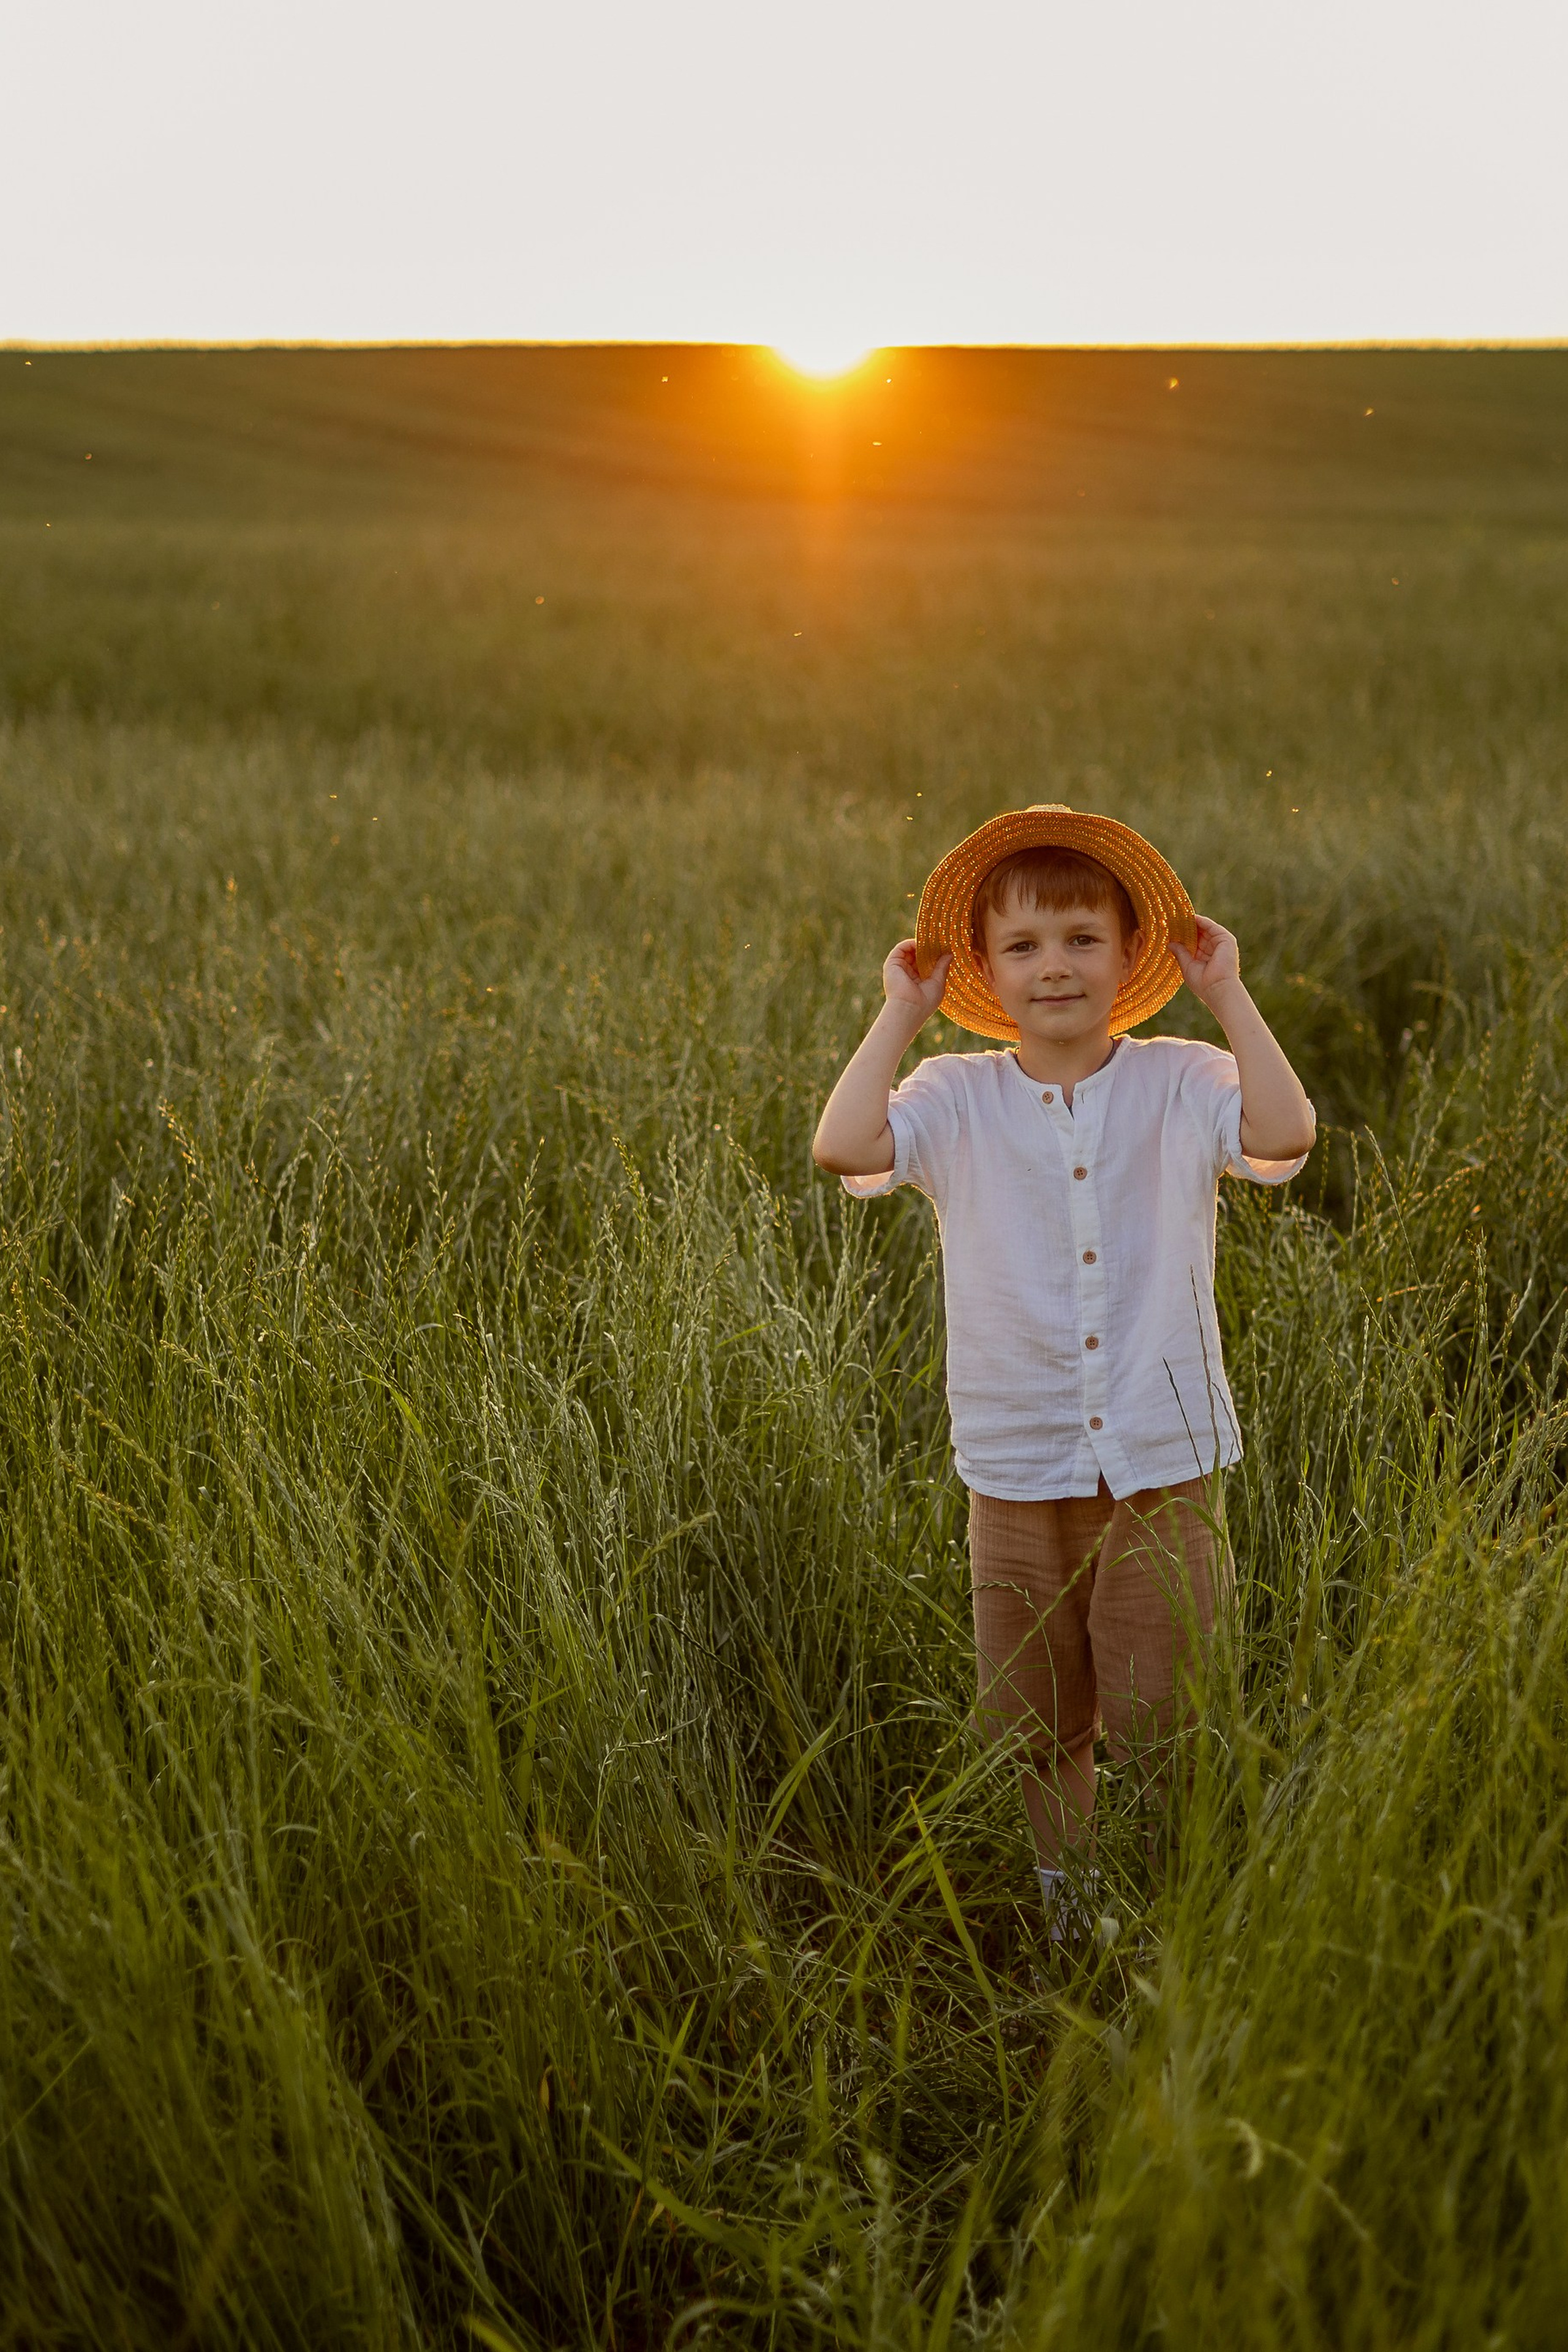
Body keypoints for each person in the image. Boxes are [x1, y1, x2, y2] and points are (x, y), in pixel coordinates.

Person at [812, 804, 1315, 1940]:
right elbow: (845, 1147)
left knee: (1167, 1716)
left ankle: (1173, 1909)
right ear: (984, 969)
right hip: (1017, 1461)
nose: (1055, 968)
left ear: (1130, 955)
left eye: (1083, 939)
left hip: (1161, 1460)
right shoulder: (953, 1098)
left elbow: (1285, 1136)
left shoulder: (1182, 1080)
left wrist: (1228, 993)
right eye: (1025, 947)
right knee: (1038, 1723)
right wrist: (901, 1015)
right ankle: (1069, 1912)